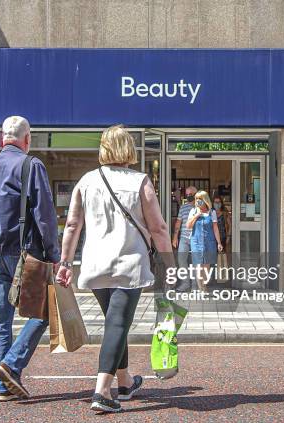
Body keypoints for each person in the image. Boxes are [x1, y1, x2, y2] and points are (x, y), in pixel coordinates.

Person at [56, 125, 173, 413]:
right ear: (128, 149)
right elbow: (158, 227)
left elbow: (72, 225)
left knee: (114, 322)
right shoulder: (140, 181)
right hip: (128, 264)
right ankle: (102, 391)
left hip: (95, 265)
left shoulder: (86, 180)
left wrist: (65, 262)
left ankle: (125, 381)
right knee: (118, 323)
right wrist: (172, 264)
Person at [0, 116, 60, 402]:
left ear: (1, 138)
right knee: (42, 313)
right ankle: (12, 364)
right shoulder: (31, 165)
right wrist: (55, 255)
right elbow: (44, 215)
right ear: (27, 139)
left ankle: (2, 388)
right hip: (27, 253)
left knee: (1, 319)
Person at [187, 191, 223, 290]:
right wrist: (197, 215)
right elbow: (188, 226)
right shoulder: (193, 211)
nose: (198, 201)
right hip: (196, 241)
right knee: (198, 265)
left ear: (205, 200)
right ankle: (201, 287)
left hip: (209, 241)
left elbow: (215, 228)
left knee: (206, 265)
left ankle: (204, 283)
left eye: (200, 199)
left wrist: (219, 242)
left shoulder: (212, 212)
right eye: (197, 199)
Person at [171, 186, 197, 292]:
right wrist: (175, 237)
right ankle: (185, 283)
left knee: (196, 262)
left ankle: (195, 285)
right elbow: (178, 222)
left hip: (196, 238)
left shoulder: (201, 207)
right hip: (184, 238)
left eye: (191, 194)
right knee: (181, 260)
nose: (189, 196)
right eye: (187, 194)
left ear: (196, 194)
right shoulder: (183, 207)